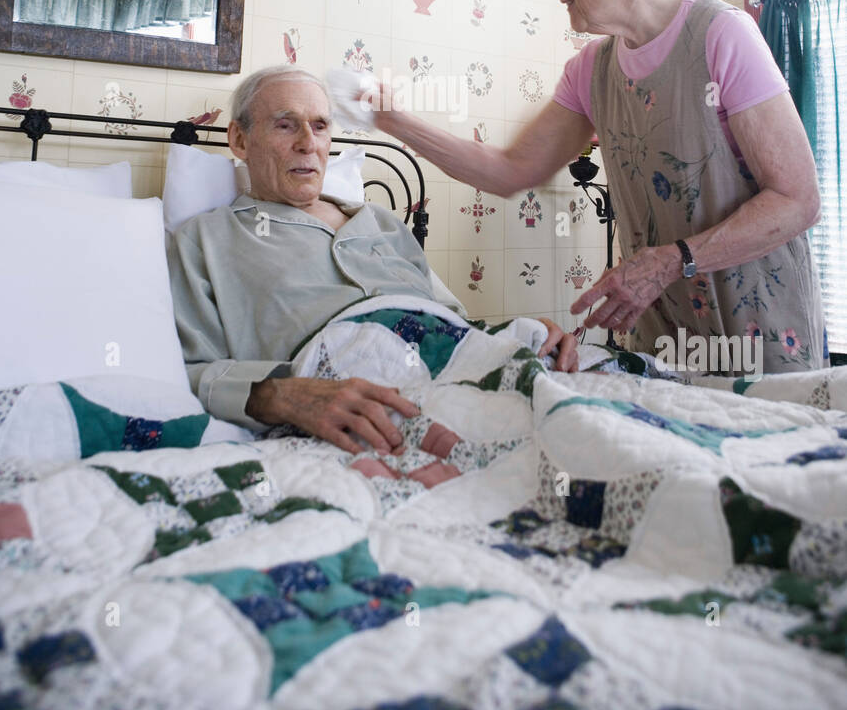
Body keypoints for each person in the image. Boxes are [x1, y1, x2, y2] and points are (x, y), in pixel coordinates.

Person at [367, 0, 826, 374]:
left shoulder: (721, 35)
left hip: (762, 333)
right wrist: (391, 118)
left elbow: (797, 200)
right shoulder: (589, 71)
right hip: (668, 344)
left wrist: (671, 260)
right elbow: (507, 172)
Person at [165, 67, 579, 452]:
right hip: (359, 404)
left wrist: (521, 335)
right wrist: (280, 394)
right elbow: (186, 371)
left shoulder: (382, 222)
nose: (309, 143)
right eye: (286, 125)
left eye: (321, 126)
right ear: (239, 140)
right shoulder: (205, 240)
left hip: (458, 380)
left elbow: (455, 326)